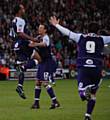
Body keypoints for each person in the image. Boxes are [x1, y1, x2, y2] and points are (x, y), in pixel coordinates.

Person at [49, 16, 110, 120]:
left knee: (82, 93)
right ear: (98, 31)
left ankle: (84, 91)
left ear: (87, 29)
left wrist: (56, 25)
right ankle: (87, 116)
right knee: (93, 94)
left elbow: (67, 32)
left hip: (84, 67)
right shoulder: (102, 39)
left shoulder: (80, 37)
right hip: (96, 67)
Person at [9, 4, 41, 99]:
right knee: (39, 59)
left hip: (16, 45)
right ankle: (24, 67)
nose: (24, 9)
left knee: (21, 69)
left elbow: (11, 35)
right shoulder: (20, 20)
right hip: (23, 44)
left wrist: (16, 45)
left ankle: (20, 86)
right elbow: (20, 33)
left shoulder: (13, 21)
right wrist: (33, 39)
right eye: (22, 8)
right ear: (19, 11)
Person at [29, 23, 60, 109]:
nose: (39, 29)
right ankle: (36, 103)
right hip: (41, 62)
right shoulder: (38, 37)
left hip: (47, 62)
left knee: (45, 83)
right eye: (39, 28)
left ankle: (55, 102)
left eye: (41, 28)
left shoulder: (46, 37)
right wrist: (30, 42)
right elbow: (32, 42)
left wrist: (35, 44)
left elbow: (44, 44)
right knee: (38, 82)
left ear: (45, 30)